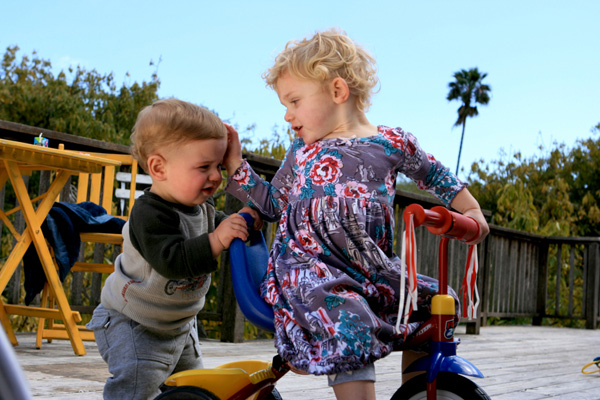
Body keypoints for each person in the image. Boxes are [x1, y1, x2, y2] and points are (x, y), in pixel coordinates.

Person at [223, 29, 490, 400]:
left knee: (435, 303)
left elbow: (436, 176)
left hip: (373, 270)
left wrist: (471, 210)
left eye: (295, 101)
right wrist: (236, 164)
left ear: (337, 91)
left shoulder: (392, 144)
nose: (288, 115)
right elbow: (271, 204)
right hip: (311, 271)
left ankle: (416, 390)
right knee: (347, 315)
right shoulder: (302, 151)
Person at [87, 98, 260, 400]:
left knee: (193, 388)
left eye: (219, 166)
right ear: (159, 167)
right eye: (204, 166)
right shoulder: (149, 213)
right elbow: (172, 259)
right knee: (136, 388)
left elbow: (227, 228)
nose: (217, 176)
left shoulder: (203, 211)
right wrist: (218, 239)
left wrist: (246, 219)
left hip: (179, 325)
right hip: (134, 323)